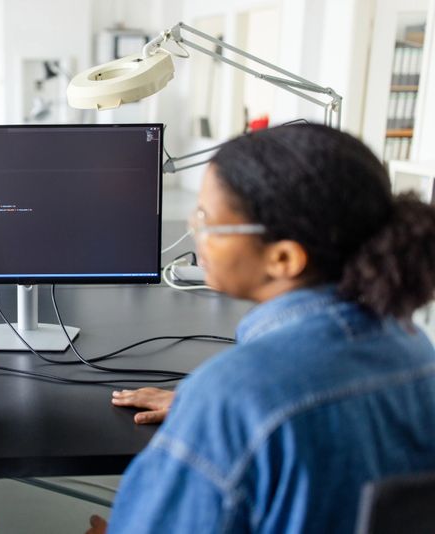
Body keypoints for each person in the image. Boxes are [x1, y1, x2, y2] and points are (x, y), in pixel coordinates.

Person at [88, 124, 435, 533]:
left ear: (284, 258)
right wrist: (215, 412)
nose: (195, 233)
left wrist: (219, 410)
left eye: (207, 220)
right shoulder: (416, 350)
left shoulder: (233, 397)